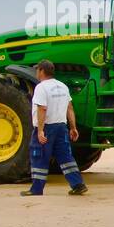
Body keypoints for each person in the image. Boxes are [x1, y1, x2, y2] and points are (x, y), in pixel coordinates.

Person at [22, 60, 87, 197]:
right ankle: (78, 184)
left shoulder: (41, 87)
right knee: (66, 157)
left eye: (37, 70)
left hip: (47, 127)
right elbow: (69, 108)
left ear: (41, 71)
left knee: (39, 156)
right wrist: (73, 127)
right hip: (61, 127)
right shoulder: (62, 86)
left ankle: (36, 189)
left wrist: (40, 130)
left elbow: (42, 108)